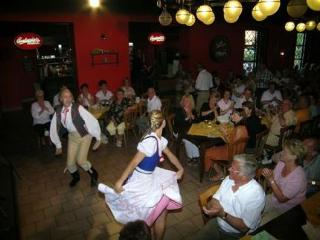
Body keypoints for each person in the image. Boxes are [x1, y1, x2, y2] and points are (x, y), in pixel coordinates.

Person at [98, 110, 184, 240]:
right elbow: (133, 162)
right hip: (141, 179)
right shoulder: (150, 142)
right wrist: (120, 181)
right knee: (141, 213)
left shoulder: (159, 140)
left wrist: (180, 168)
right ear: (164, 123)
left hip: (151, 177)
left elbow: (170, 155)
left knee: (157, 211)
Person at [193, 154, 265, 240]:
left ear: (243, 177)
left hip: (237, 234)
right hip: (218, 222)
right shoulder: (229, 179)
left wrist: (223, 214)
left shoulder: (256, 195)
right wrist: (211, 207)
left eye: (233, 169)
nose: (228, 169)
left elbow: (244, 228)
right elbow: (216, 199)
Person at [50, 88, 101, 187]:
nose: (68, 99)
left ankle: (94, 174)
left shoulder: (78, 108)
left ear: (72, 98)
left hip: (84, 135)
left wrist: (98, 137)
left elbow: (92, 121)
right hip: (72, 137)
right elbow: (53, 128)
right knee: (70, 163)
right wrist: (58, 145)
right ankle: (76, 177)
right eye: (65, 97)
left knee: (81, 160)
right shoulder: (58, 111)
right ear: (60, 99)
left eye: (70, 96)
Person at [261, 139, 307, 224]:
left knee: (261, 224)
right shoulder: (281, 163)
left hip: (287, 210)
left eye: (285, 152)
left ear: (294, 157)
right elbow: (270, 185)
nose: (281, 153)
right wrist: (268, 178)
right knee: (252, 206)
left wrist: (271, 179)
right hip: (274, 199)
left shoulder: (298, 177)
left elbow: (282, 199)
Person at [205, 109, 248, 181]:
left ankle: (220, 173)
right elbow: (232, 141)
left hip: (230, 153)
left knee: (207, 152)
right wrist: (223, 134)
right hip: (238, 152)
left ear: (241, 117)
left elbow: (229, 142)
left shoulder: (238, 129)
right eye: (232, 114)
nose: (232, 116)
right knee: (214, 147)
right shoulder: (243, 127)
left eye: (235, 115)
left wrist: (224, 132)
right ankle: (217, 169)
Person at [173, 95, 198, 165]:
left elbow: (197, 123)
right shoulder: (179, 111)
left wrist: (193, 118)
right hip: (178, 131)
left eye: (187, 101)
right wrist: (187, 118)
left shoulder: (193, 110)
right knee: (188, 139)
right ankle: (191, 157)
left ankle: (196, 156)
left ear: (191, 102)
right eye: (184, 100)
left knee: (196, 136)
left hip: (190, 130)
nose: (185, 102)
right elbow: (179, 123)